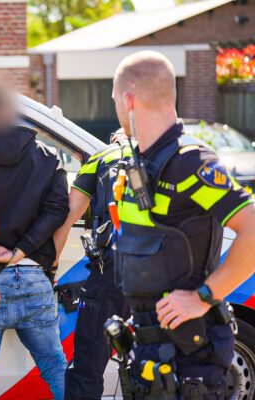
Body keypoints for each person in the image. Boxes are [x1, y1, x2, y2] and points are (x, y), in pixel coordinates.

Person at [111, 50, 255, 398]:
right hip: (151, 349)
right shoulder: (142, 162)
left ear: (128, 100)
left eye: (114, 100)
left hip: (190, 356)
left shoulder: (191, 161)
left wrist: (203, 297)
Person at [0, 80, 69, 400]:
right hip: (34, 275)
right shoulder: (48, 157)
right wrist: (21, 251)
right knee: (56, 367)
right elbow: (58, 209)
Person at [53, 130, 130, 400]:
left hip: (112, 271)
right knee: (156, 363)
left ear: (114, 138)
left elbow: (69, 214)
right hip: (163, 273)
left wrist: (52, 266)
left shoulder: (102, 157)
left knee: (87, 365)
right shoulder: (167, 155)